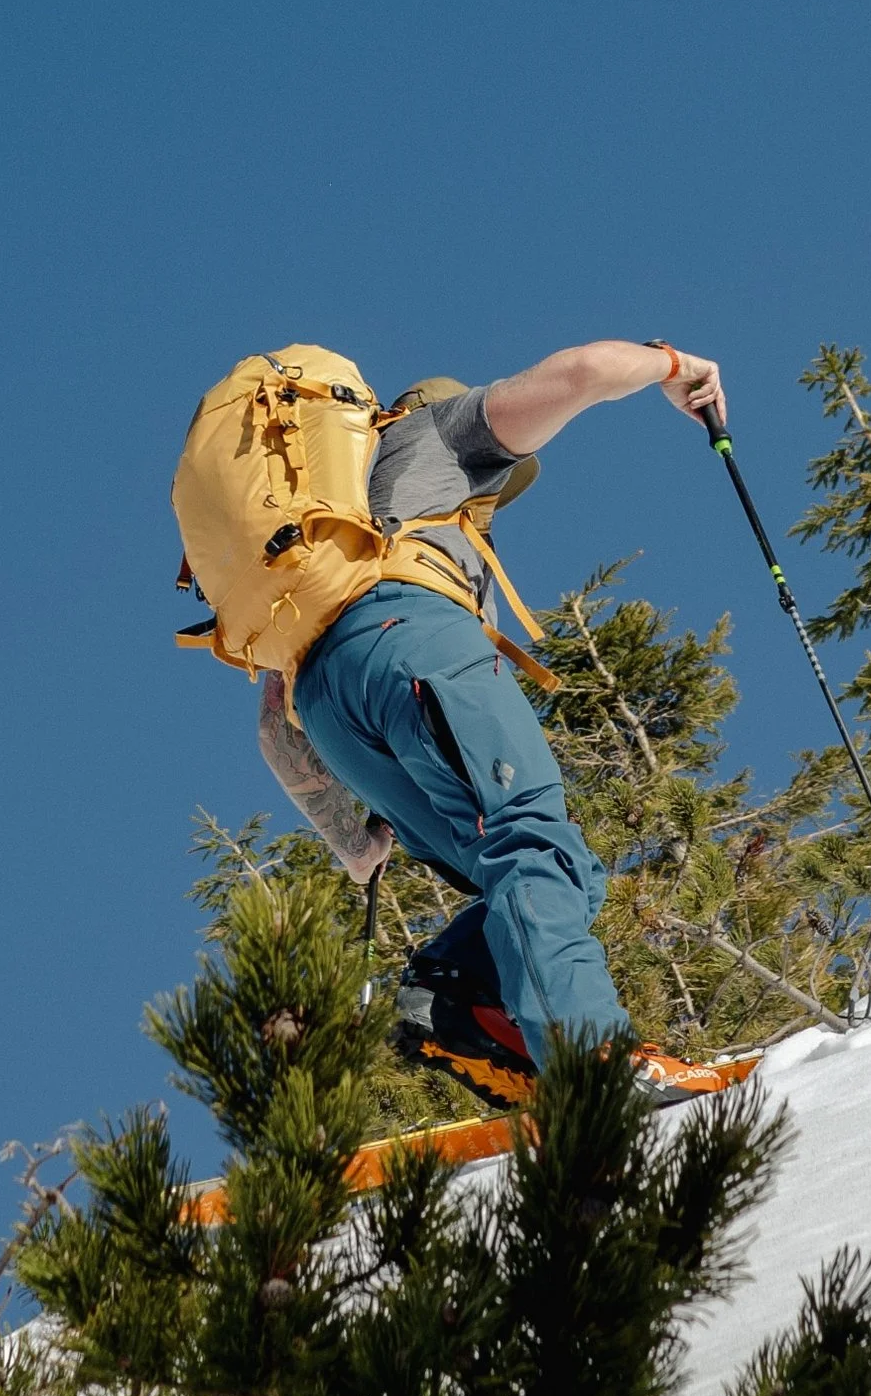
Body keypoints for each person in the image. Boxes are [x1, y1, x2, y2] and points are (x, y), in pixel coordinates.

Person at [256, 339, 726, 1107]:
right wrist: (676, 367)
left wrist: (355, 840)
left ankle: (455, 993)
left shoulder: (324, 527)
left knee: (560, 869)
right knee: (532, 840)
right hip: (413, 642)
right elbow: (581, 375)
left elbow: (275, 727)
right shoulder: (441, 432)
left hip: (329, 705)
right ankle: (593, 1065)